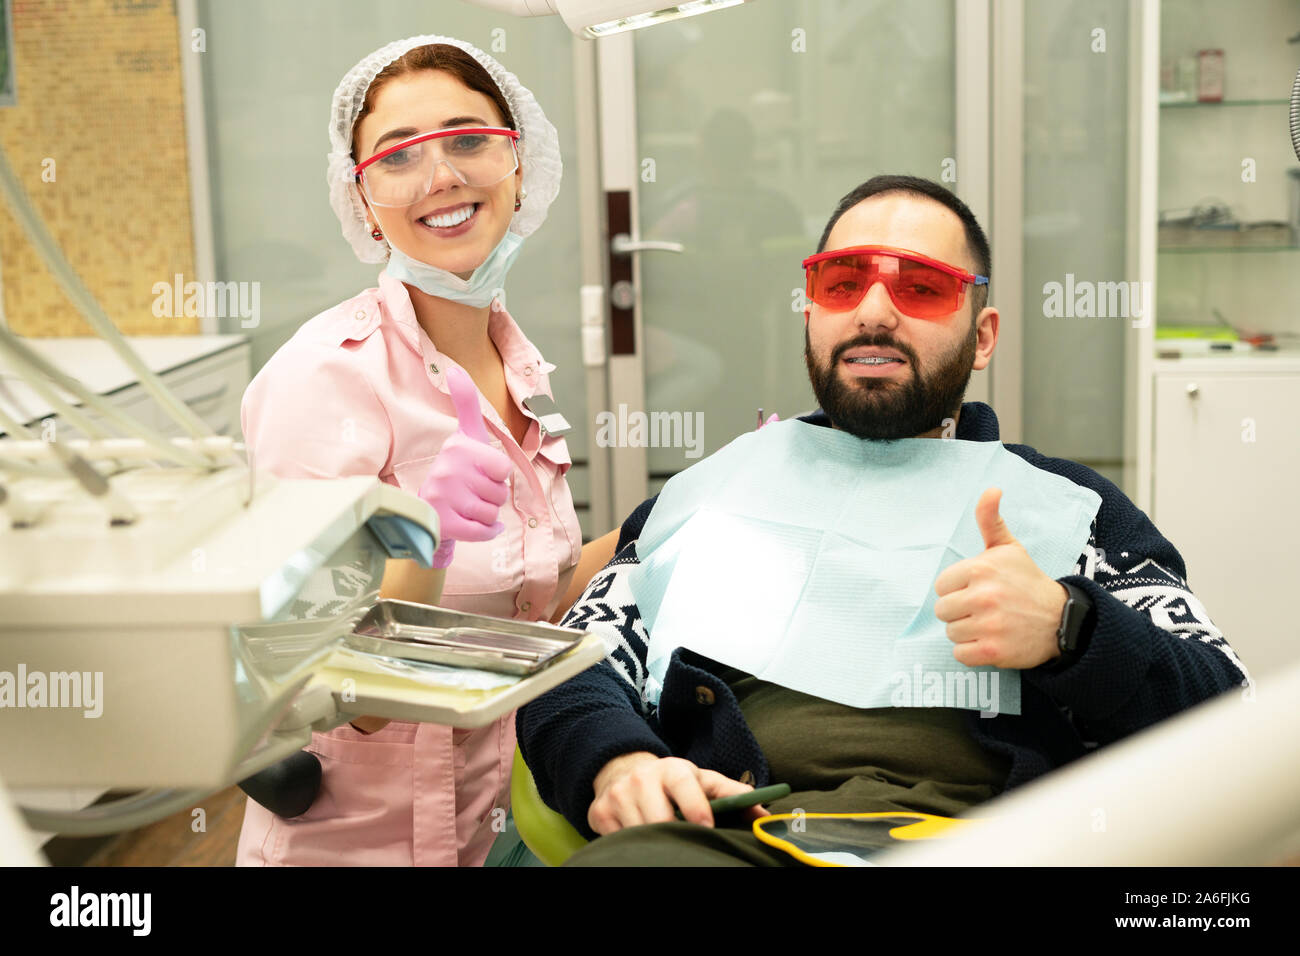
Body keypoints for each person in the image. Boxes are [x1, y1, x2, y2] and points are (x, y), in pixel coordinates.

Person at [517, 174, 1250, 866]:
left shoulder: (1073, 510)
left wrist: (1072, 629)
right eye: (842, 283)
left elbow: (1224, 709)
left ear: (984, 335)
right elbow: (569, 667)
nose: (873, 310)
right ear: (812, 312)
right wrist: (620, 761)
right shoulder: (712, 494)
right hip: (736, 840)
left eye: (922, 287)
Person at [236, 35, 617, 867]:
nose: (442, 176)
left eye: (470, 139)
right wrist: (426, 546)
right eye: (399, 157)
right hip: (358, 847)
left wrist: (669, 520)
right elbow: (330, 689)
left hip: (501, 822)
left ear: (522, 168)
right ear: (362, 200)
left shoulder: (513, 363)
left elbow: (528, 604)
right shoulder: (323, 378)